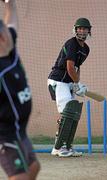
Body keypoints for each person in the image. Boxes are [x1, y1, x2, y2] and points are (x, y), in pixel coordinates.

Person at [0, 0, 40, 179]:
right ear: (2, 38)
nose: (9, 29)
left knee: (34, 167)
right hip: (5, 135)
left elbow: (12, 20)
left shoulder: (10, 51)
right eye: (5, 29)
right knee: (20, 177)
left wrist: (10, 3)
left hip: (19, 131)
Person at [48, 17, 92, 157]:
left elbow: (77, 68)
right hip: (58, 80)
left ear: (88, 31)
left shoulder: (86, 49)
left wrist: (75, 84)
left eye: (84, 28)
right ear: (75, 29)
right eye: (79, 28)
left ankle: (67, 146)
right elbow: (69, 66)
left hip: (67, 83)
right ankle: (57, 148)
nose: (81, 31)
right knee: (67, 112)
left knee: (73, 114)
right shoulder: (71, 43)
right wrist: (77, 84)